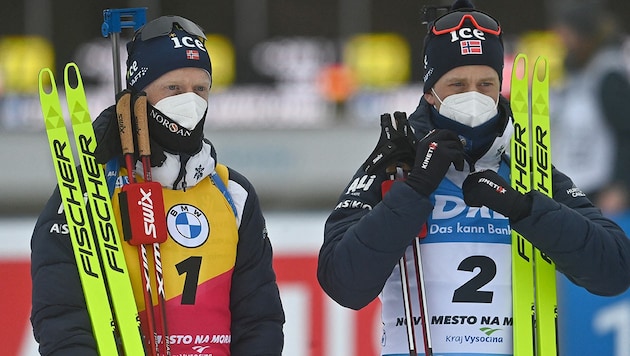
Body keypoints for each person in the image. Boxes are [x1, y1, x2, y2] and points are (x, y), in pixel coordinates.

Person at [317, 0, 630, 355]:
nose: (474, 96)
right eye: (457, 84)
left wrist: (523, 208)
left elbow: (615, 270)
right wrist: (416, 190)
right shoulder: (396, 164)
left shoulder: (529, 169)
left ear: (500, 88)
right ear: (430, 94)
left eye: (486, 83)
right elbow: (343, 283)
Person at [30, 15, 285, 355]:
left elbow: (259, 319)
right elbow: (60, 315)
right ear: (138, 99)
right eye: (173, 88)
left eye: (200, 88)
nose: (190, 101)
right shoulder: (90, 189)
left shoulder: (233, 192)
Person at [549, 1, 630, 215]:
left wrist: (620, 185)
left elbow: (626, 132)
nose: (561, 39)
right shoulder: (575, 70)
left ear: (584, 34)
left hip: (599, 190)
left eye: (566, 32)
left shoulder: (608, 74)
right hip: (573, 186)